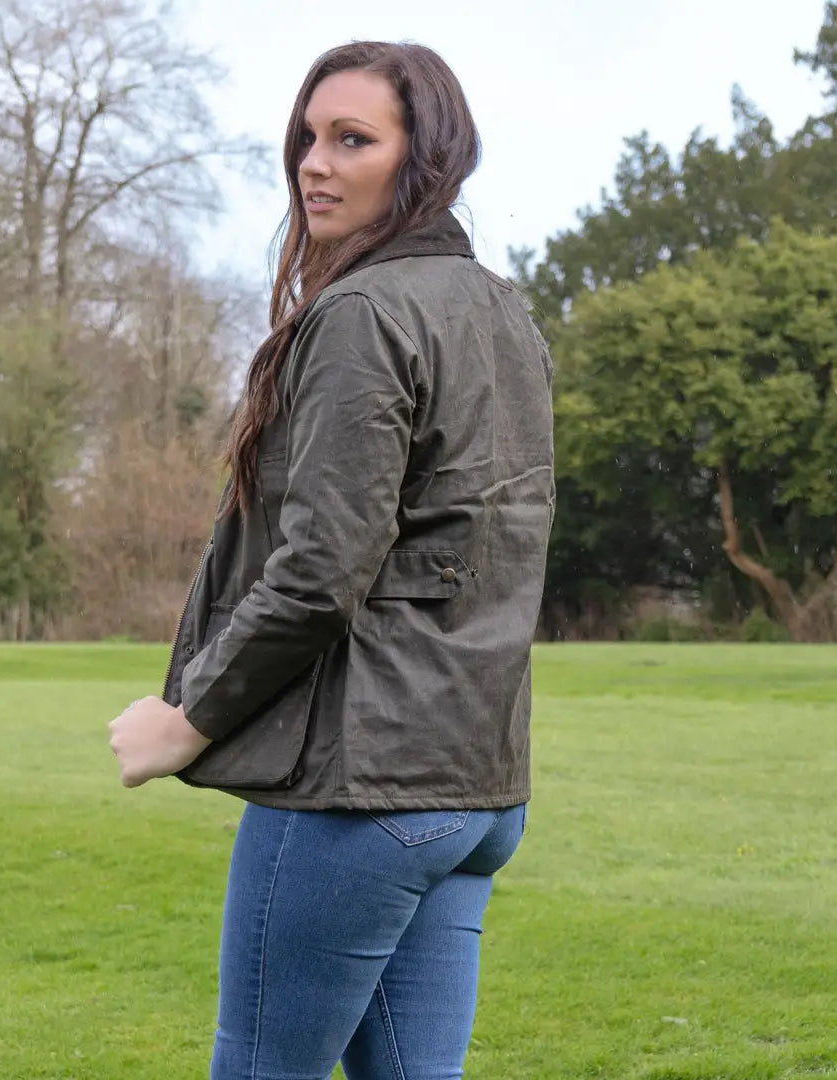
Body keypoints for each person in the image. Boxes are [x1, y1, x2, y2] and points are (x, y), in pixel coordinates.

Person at [108, 39, 554, 1080]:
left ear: (424, 159)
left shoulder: (362, 313)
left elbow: (322, 568)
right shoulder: (502, 310)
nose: (315, 162)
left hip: (364, 794)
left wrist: (189, 715)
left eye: (352, 139)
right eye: (308, 137)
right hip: (476, 793)